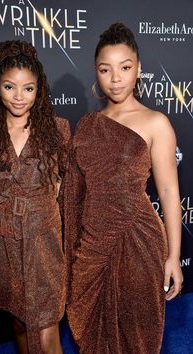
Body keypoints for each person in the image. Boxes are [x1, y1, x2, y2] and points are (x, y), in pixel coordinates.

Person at [63, 22, 183, 354]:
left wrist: (173, 256)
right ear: (96, 73)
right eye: (106, 69)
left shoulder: (156, 122)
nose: (116, 78)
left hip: (138, 241)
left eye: (125, 67)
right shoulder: (86, 127)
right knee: (94, 337)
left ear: (139, 69)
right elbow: (76, 195)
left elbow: (170, 193)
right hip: (93, 244)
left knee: (138, 336)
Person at [0, 40, 70, 354]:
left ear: (39, 89)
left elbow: (69, 190)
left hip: (45, 245)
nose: (18, 96)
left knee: (47, 328)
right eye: (10, 87)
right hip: (5, 246)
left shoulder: (58, 131)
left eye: (28, 88)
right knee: (19, 322)